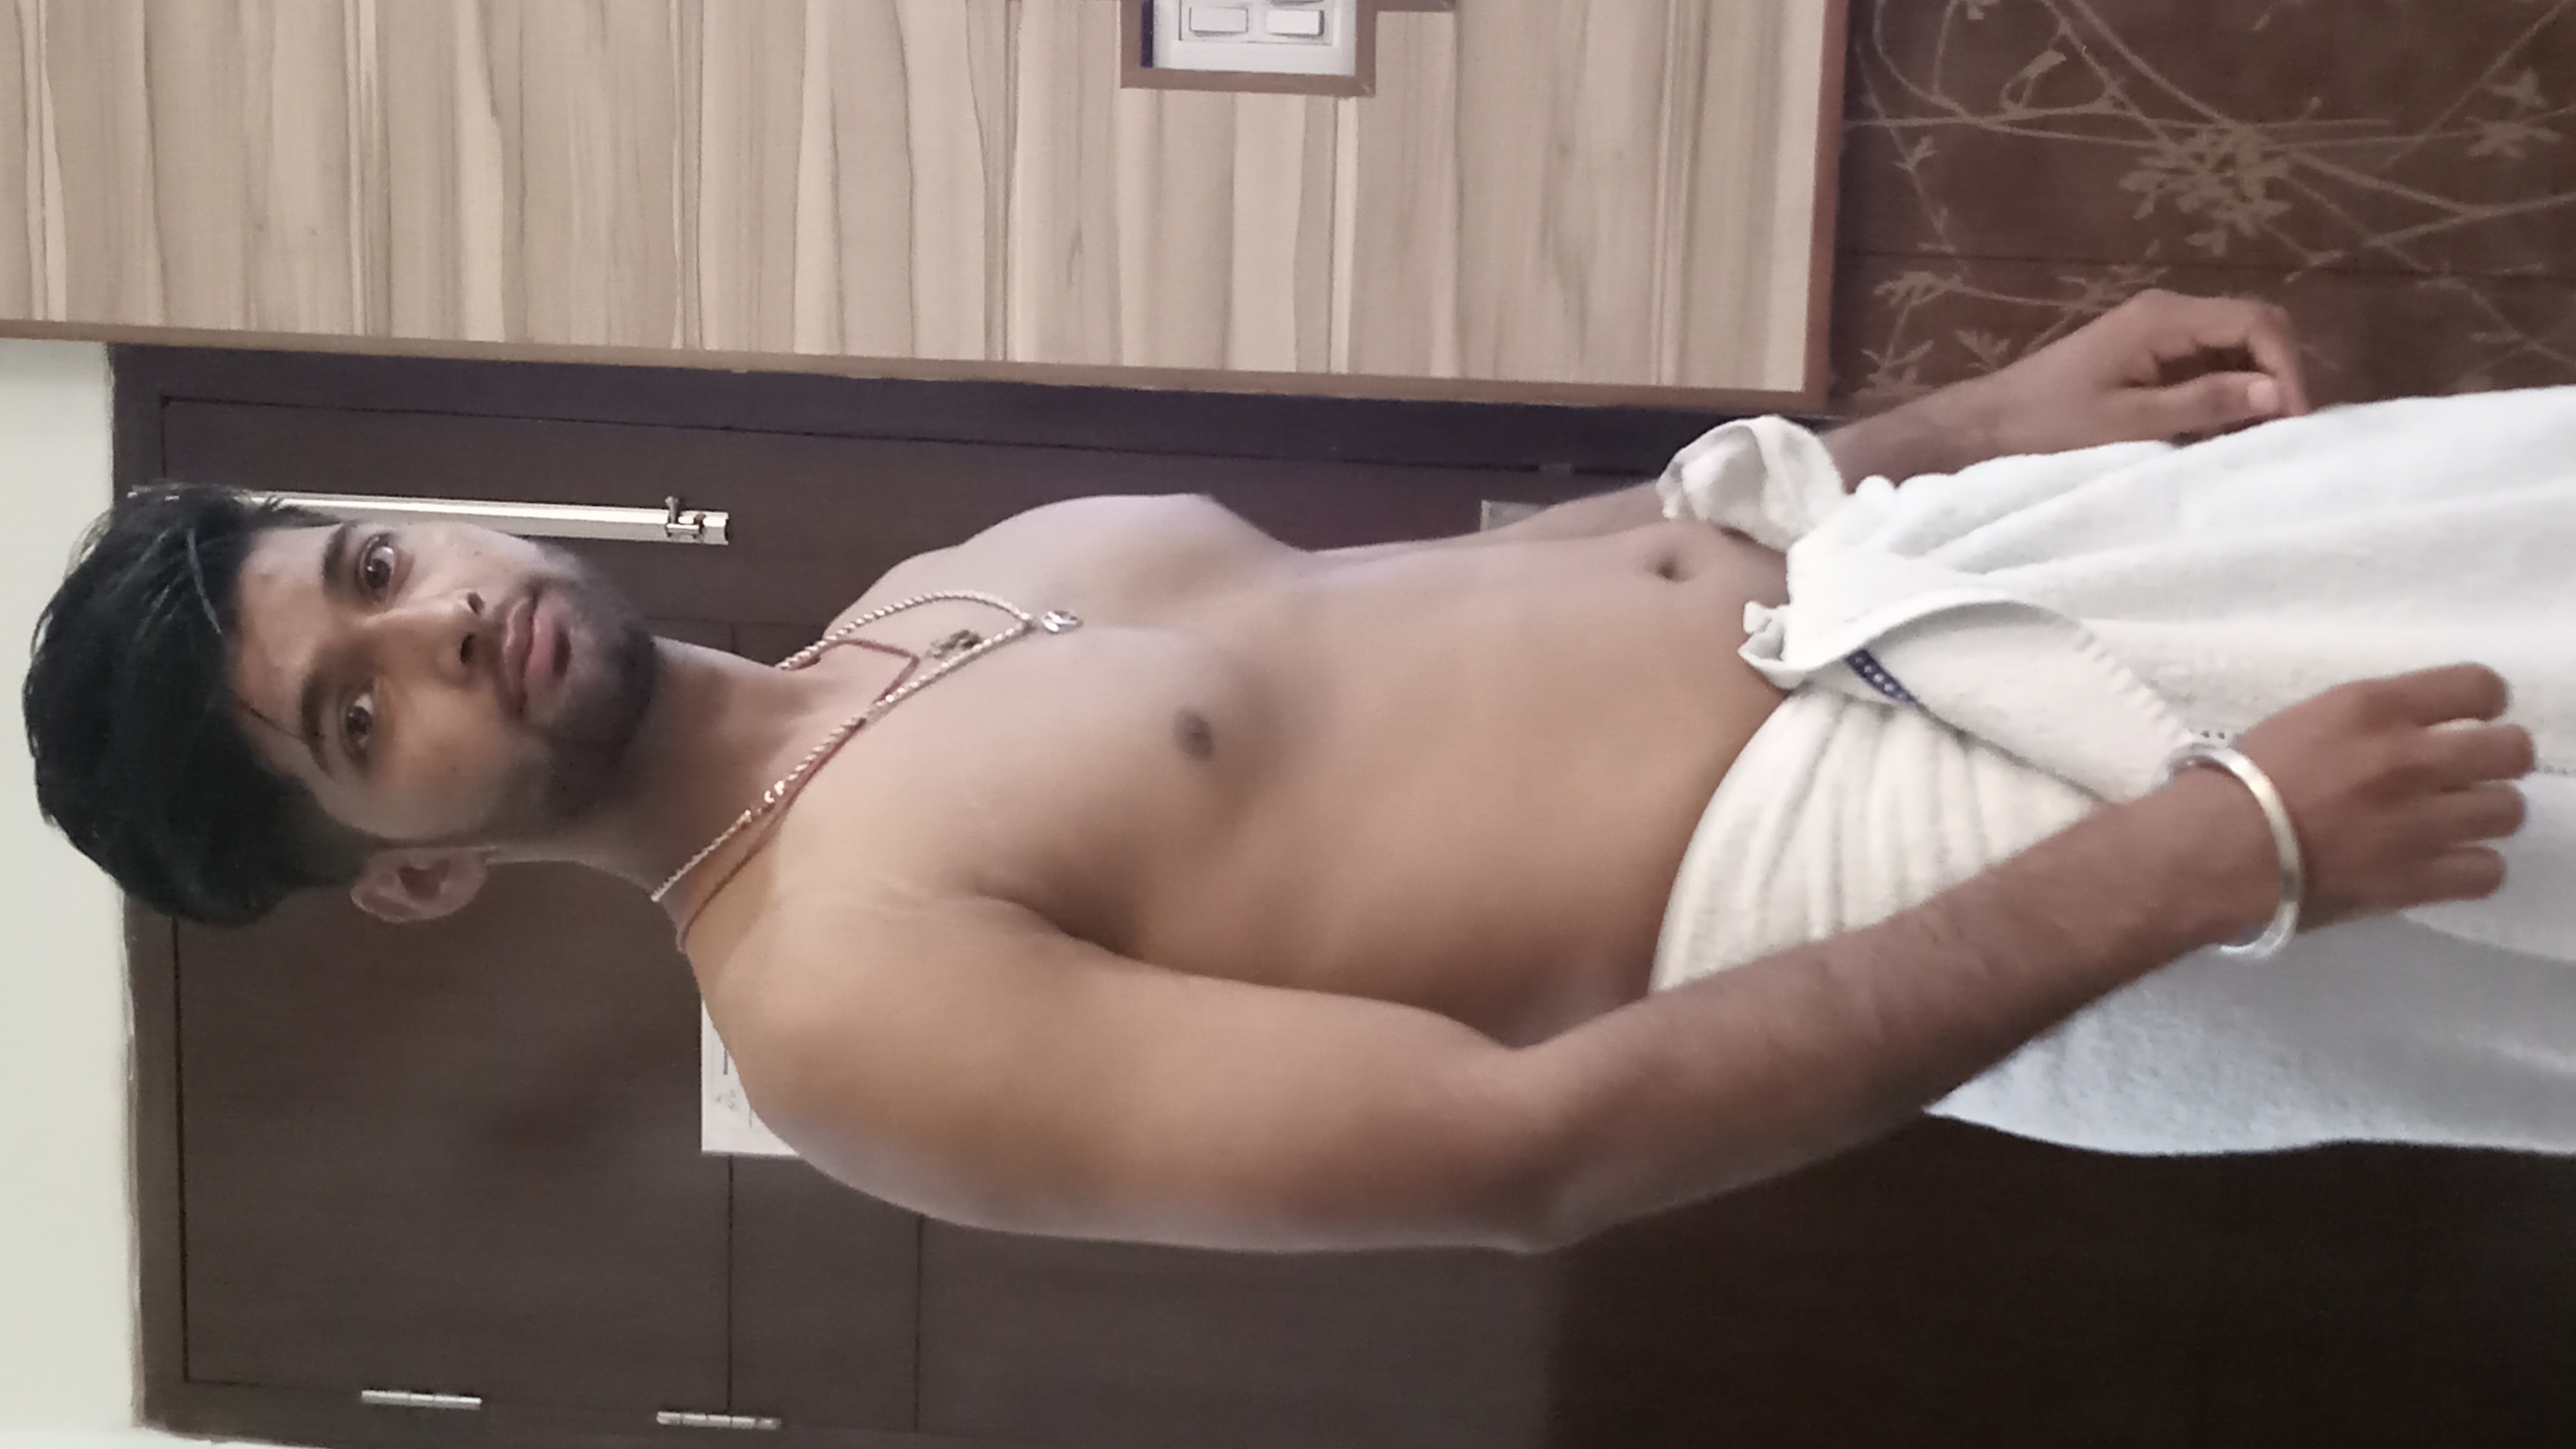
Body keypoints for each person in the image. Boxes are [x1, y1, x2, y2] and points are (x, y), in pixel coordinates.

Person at [25, 291, 2562, 1256]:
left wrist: (1964, 425)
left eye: (372, 566)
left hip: (1942, 578)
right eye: (359, 717)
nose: (437, 626)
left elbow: (1500, 584)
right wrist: (2192, 864)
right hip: (1973, 848)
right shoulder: (839, 997)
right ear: (402, 874)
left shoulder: (931, 590)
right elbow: (1523, 1151)